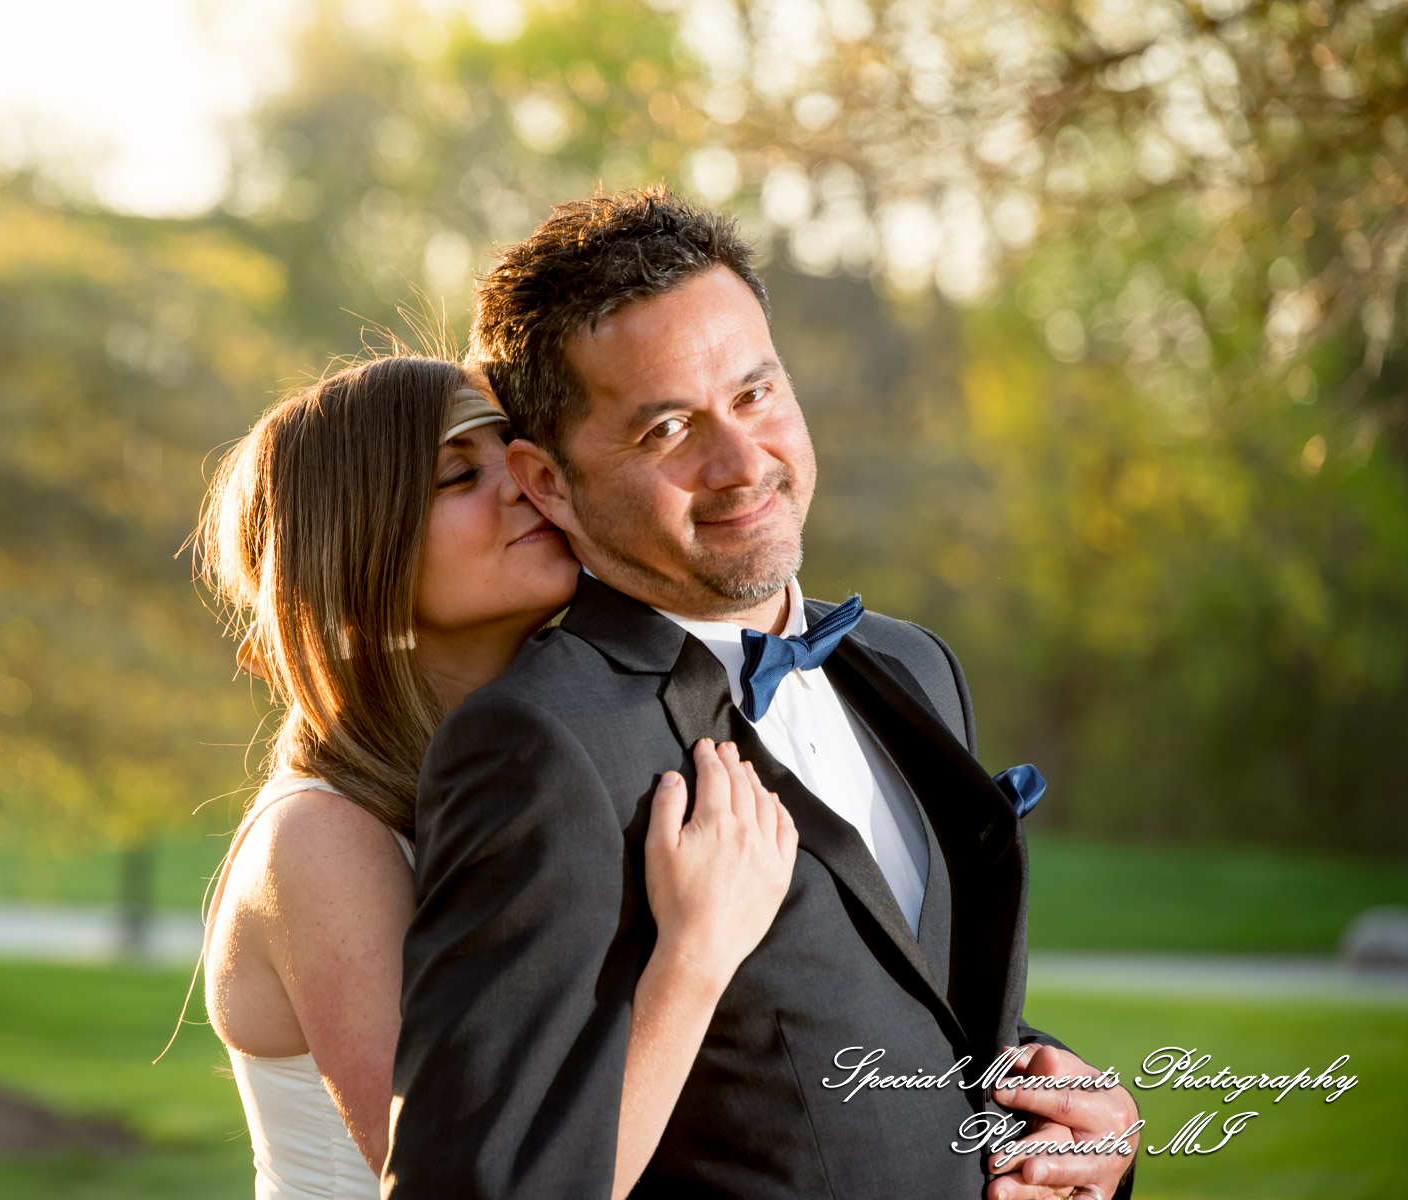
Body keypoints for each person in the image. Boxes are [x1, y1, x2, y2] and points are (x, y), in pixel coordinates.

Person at [385, 188, 1141, 1200]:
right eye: (665, 430)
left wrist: (1081, 1129)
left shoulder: (911, 666)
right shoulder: (543, 745)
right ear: (549, 482)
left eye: (755, 396)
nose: (743, 465)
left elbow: (893, 1015)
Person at [193, 354, 799, 1199]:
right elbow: (498, 1180)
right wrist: (696, 954)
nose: (522, 483)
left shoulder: (589, 760)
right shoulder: (322, 842)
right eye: (457, 475)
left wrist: (1029, 1104)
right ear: (359, 549)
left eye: (516, 454)